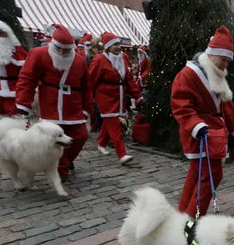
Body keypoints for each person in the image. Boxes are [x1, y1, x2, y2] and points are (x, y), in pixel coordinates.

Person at [171, 25, 234, 217]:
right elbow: (181, 104)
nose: (225, 65)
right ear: (212, 54)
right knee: (211, 175)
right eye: (223, 59)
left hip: (213, 134)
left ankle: (182, 216)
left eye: (228, 61)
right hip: (201, 134)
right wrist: (196, 125)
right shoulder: (188, 75)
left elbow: (226, 104)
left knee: (196, 175)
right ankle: (192, 220)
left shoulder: (216, 73)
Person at [15, 24, 93, 180]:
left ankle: (65, 160)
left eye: (67, 49)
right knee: (52, 140)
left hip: (73, 104)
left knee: (81, 135)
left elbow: (86, 87)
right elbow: (27, 78)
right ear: (53, 45)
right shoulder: (38, 54)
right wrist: (23, 102)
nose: (64, 53)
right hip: (50, 103)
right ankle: (60, 170)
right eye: (60, 49)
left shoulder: (79, 61)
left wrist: (86, 108)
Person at [89, 32, 144, 165]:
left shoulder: (122, 58)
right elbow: (90, 79)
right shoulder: (99, 59)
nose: (118, 47)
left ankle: (101, 143)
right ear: (107, 47)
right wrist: (88, 98)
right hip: (105, 97)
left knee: (111, 122)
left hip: (118, 97)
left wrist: (137, 96)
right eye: (115, 45)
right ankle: (122, 154)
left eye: (119, 44)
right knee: (114, 123)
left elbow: (129, 79)